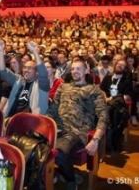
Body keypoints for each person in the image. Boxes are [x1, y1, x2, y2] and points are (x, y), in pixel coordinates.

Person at [46, 58, 108, 190]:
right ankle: (52, 175)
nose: (75, 71)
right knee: (33, 145)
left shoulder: (93, 90)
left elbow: (103, 115)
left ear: (86, 70)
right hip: (57, 129)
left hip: (77, 132)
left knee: (59, 153)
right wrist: (47, 127)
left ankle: (71, 180)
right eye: (73, 69)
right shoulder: (63, 87)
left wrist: (96, 139)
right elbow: (52, 109)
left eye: (78, 68)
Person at [0, 40, 49, 118]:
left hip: (31, 124)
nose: (26, 70)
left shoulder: (41, 86)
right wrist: (1, 51)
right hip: (11, 120)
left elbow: (43, 73)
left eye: (30, 68)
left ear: (37, 72)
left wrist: (35, 52)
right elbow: (2, 71)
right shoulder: (18, 81)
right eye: (24, 67)